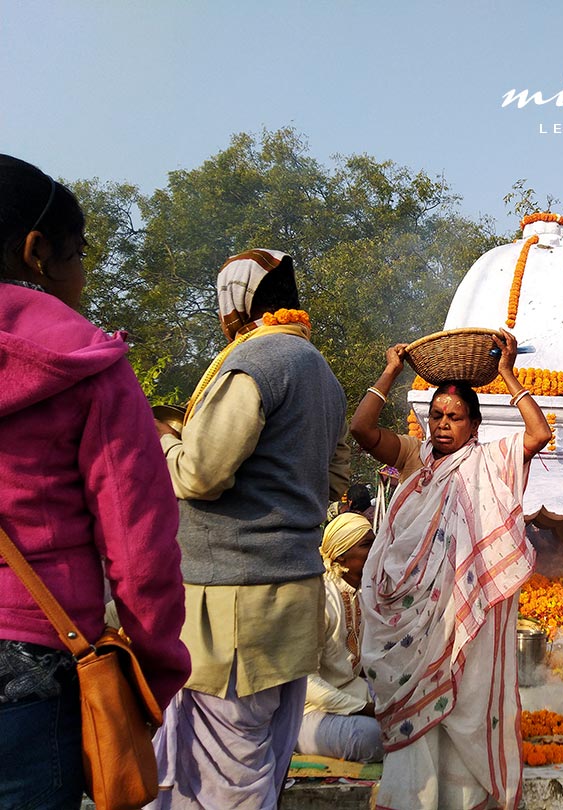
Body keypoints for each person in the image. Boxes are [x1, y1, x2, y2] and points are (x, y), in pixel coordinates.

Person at [0, 155, 189, 808]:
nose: (83, 274)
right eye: (79, 254)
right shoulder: (88, 368)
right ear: (37, 253)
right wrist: (154, 671)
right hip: (32, 674)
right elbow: (140, 548)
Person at [151, 249, 350, 809]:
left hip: (234, 606)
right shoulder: (323, 374)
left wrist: (161, 438)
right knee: (257, 758)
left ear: (234, 303)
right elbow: (335, 478)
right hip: (289, 601)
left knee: (221, 773)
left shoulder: (255, 364)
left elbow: (199, 474)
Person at [351, 331, 551, 810]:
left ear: (474, 425)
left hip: (465, 620)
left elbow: (539, 434)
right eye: (437, 416)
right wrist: (390, 371)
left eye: (455, 418)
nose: (443, 425)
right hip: (409, 619)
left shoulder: (491, 460)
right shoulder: (413, 457)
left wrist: (506, 374)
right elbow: (360, 429)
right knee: (414, 712)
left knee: (461, 706)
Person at [296, 512, 383, 763]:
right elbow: (306, 683)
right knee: (374, 738)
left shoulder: (363, 593)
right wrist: (367, 710)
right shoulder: (319, 598)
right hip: (309, 713)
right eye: (368, 545)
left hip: (354, 695)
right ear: (341, 554)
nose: (377, 550)